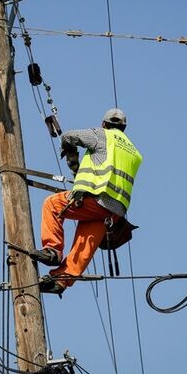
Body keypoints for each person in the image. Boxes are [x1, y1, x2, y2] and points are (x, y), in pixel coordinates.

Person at [32, 108, 143, 295]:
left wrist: (71, 154)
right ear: (123, 127)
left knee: (51, 204)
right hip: (114, 212)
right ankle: (61, 281)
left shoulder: (102, 135)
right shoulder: (134, 152)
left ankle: (52, 251)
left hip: (97, 199)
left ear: (104, 124)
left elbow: (69, 136)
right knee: (86, 242)